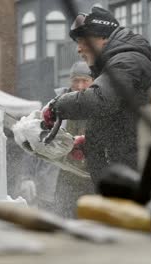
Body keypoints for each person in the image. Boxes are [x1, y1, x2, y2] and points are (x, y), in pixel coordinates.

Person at [43, 7, 151, 186]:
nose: (79, 49)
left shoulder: (127, 62)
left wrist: (57, 105)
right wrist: (91, 142)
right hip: (125, 177)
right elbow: (122, 123)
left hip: (134, 179)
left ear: (103, 38)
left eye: (83, 41)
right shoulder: (117, 65)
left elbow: (101, 100)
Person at [53, 61, 95, 218]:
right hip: (64, 174)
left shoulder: (102, 105)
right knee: (63, 217)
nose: (80, 86)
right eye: (76, 81)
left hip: (90, 176)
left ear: (93, 82)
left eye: (85, 81)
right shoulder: (58, 104)